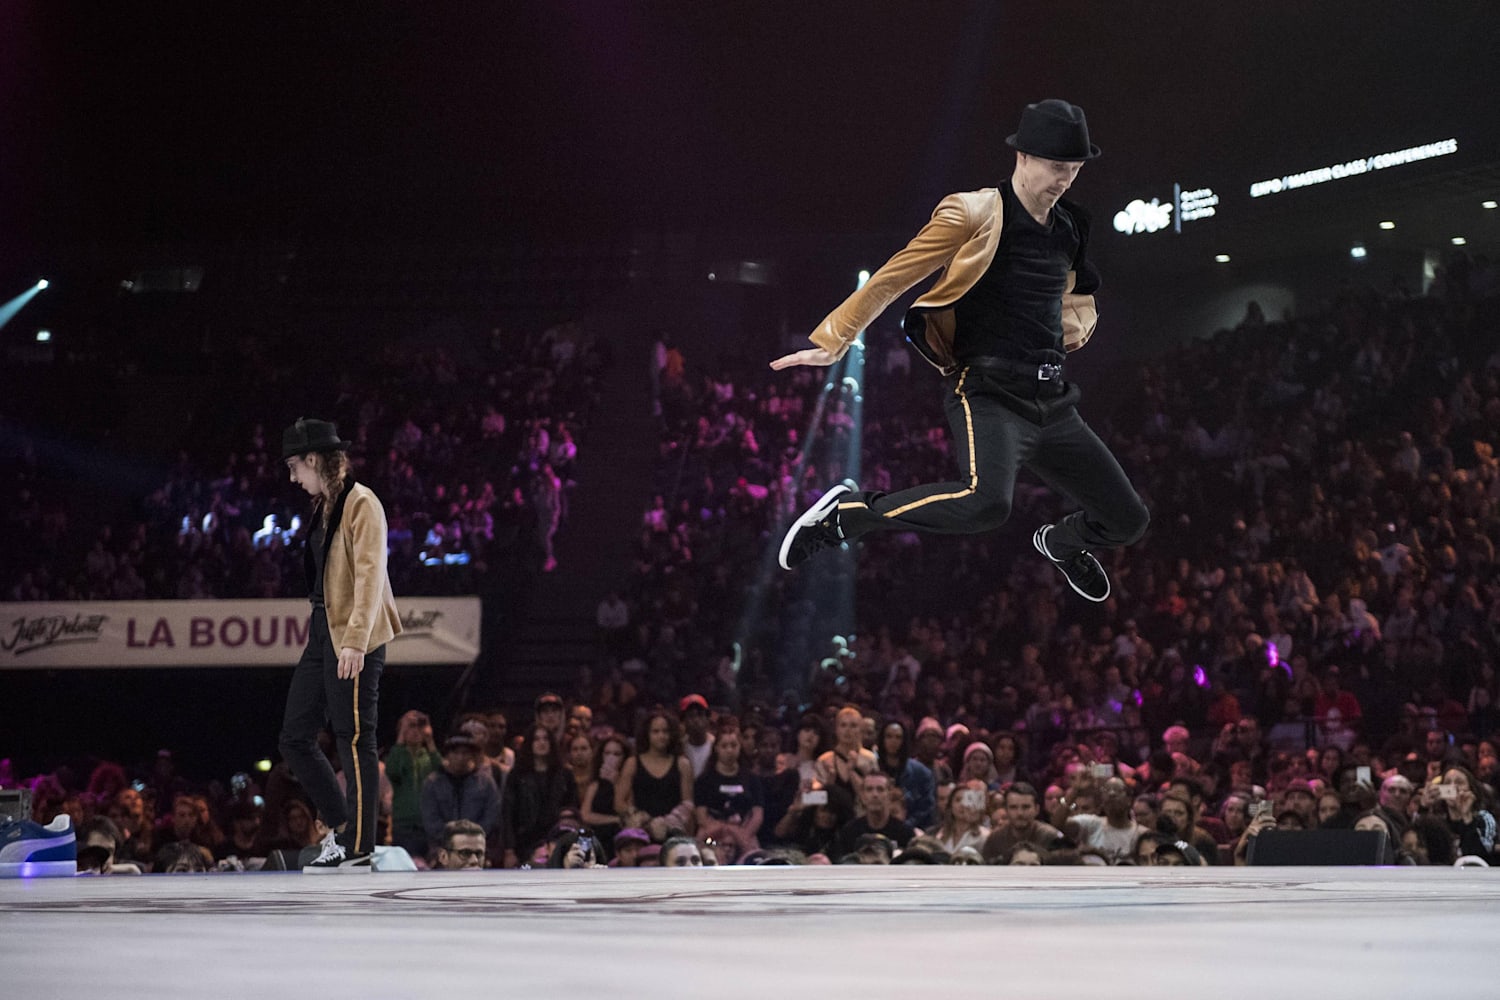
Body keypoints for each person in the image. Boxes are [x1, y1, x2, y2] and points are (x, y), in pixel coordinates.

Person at [772, 99, 1148, 604]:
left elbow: (1077, 294)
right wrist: (833, 339)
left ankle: (1060, 544)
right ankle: (848, 516)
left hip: (1053, 402)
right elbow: (895, 275)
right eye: (1057, 167)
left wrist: (1074, 328)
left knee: (1128, 520)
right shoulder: (974, 211)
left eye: (1075, 169)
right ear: (1023, 158)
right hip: (988, 392)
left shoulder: (1072, 227)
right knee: (986, 504)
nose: (1065, 179)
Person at [279, 417, 402, 872]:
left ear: (314, 459)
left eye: (295, 466)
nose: (293, 477)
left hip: (354, 633)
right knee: (294, 735)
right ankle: (343, 826)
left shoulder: (361, 502)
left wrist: (355, 642)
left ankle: (359, 845)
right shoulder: (327, 503)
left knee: (354, 737)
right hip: (323, 628)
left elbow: (371, 576)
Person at [385, 709, 440, 859]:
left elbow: (442, 775)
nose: (416, 731)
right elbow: (392, 770)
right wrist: (401, 735)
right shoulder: (398, 754)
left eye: (419, 726)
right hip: (403, 825)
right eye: (411, 726)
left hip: (428, 825)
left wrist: (430, 740)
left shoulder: (429, 757)